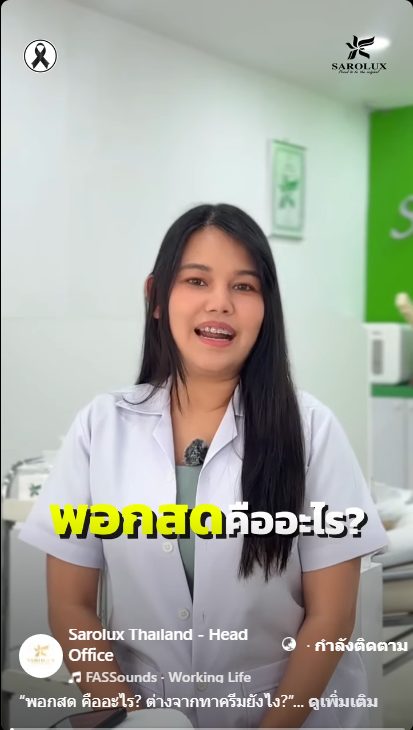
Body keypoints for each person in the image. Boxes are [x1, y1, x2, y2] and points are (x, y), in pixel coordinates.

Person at [19, 203, 388, 729]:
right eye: (197, 280)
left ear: (266, 307)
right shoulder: (101, 426)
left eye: (244, 286)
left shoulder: (312, 429)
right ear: (156, 297)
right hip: (145, 709)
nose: (220, 303)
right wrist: (127, 721)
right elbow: (71, 607)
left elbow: (330, 618)